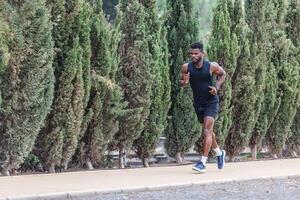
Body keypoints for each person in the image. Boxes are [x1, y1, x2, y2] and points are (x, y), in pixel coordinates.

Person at [180, 42, 226, 173]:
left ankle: (203, 163)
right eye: (191, 53)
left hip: (211, 102)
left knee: (206, 131)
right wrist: (185, 82)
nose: (193, 56)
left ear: (202, 54)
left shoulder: (211, 66)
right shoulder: (186, 67)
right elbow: (181, 82)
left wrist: (216, 87)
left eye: (196, 53)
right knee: (209, 132)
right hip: (198, 104)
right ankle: (219, 153)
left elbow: (223, 74)